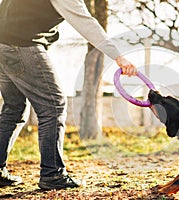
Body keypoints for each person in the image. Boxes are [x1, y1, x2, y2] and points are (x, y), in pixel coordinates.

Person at [0, 0, 137, 190]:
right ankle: (53, 174)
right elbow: (85, 22)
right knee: (53, 106)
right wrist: (118, 57)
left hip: (3, 44)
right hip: (22, 45)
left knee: (14, 109)